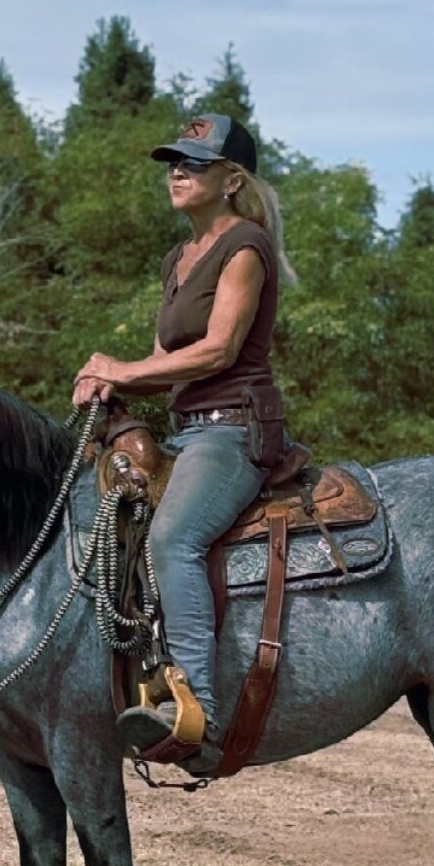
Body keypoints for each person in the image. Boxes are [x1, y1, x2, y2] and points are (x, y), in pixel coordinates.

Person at [74, 113, 296, 771]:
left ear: (231, 180)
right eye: (174, 161)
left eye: (194, 163)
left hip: (234, 430)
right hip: (187, 430)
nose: (177, 172)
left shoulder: (245, 247)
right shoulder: (178, 259)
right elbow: (162, 357)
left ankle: (195, 704)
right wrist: (109, 387)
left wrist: (123, 369)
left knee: (175, 539)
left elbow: (218, 349)